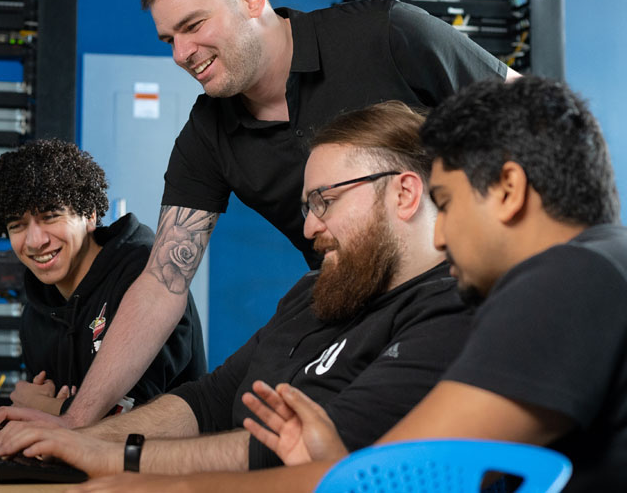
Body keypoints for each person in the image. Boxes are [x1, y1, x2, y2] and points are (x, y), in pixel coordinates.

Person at [6, 0, 518, 429]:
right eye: (169, 40)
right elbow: (163, 283)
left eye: (193, 25)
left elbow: (533, 117)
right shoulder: (208, 134)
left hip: (466, 300)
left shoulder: (384, 34)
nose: (182, 53)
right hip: (356, 315)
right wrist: (75, 422)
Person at [71, 76, 626, 492]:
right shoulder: (605, 263)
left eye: (450, 204)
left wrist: (168, 486)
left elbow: (390, 474)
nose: (445, 230)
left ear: (508, 190)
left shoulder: (567, 278)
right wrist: (337, 463)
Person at [0, 102, 472, 479]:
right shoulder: (314, 293)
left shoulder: (450, 313)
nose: (308, 229)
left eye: (325, 201)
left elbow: (295, 456)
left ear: (405, 193)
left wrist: (111, 455)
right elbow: (209, 400)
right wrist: (74, 435)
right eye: (307, 207)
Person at [0, 139, 206, 416]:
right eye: (17, 225)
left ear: (89, 215)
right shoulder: (36, 314)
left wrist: (38, 405)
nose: (35, 241)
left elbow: (132, 419)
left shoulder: (148, 279)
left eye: (50, 216)